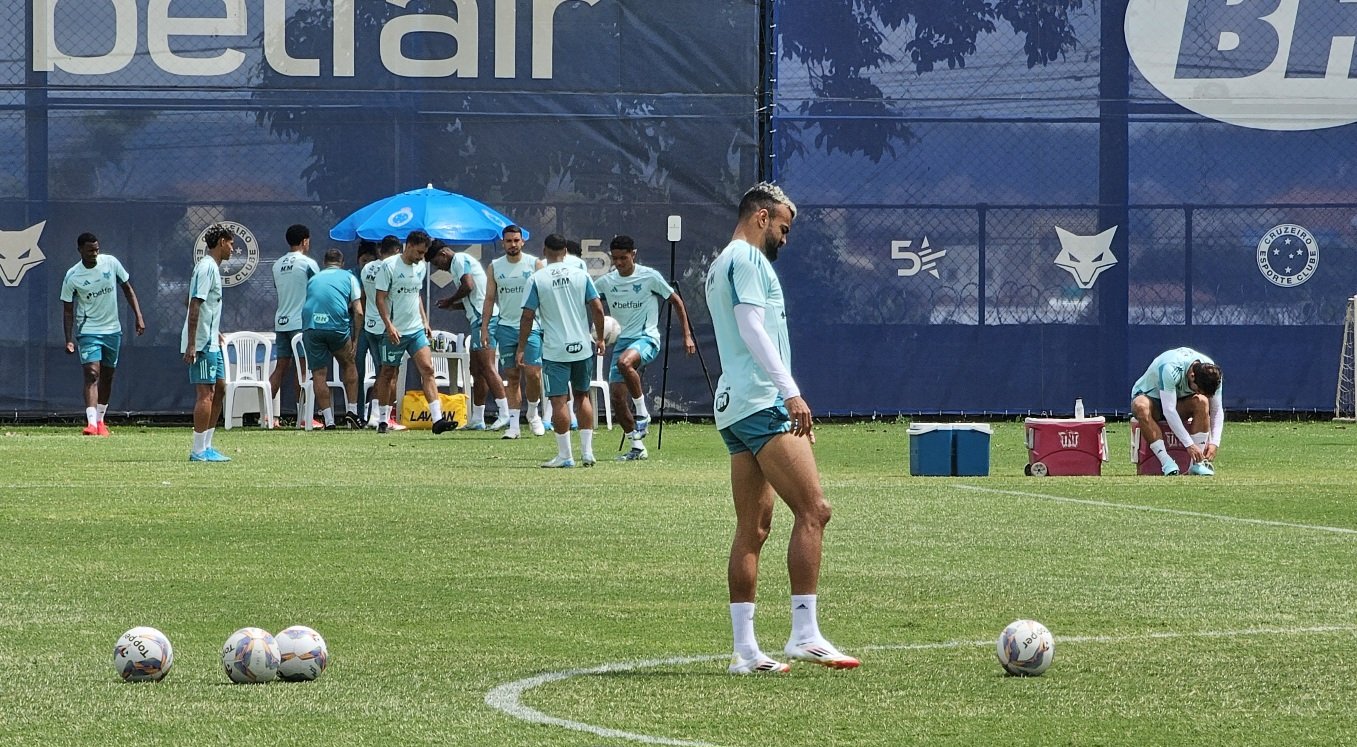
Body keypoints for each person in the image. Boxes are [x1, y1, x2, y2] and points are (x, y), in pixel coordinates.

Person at [705, 183, 859, 674]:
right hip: (760, 401)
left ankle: (746, 651)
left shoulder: (718, 264)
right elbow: (751, 327)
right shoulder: (749, 261)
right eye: (783, 227)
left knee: (753, 528)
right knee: (815, 509)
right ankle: (805, 634)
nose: (785, 239)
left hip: (733, 405)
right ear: (761, 217)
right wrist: (789, 392)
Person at [595, 234, 697, 461]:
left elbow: (677, 302)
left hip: (646, 337)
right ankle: (637, 446)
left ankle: (642, 412)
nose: (619, 263)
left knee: (624, 362)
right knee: (618, 399)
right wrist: (600, 335)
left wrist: (687, 335)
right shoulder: (606, 282)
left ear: (634, 255)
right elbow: (591, 301)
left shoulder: (649, 277)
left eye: (623, 258)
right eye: (615, 259)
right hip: (622, 341)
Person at [518, 233, 605, 467]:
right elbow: (597, 308)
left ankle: (566, 456)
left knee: (558, 401)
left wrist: (521, 347)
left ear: (544, 251)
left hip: (555, 350)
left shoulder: (537, 279)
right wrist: (600, 338)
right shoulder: (581, 274)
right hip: (582, 347)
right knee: (582, 396)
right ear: (565, 252)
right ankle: (587, 452)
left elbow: (527, 316)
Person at [60, 232, 146, 436]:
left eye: (96, 249)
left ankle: (100, 421)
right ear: (80, 250)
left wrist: (139, 316)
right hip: (88, 331)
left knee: (107, 376)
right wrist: (69, 340)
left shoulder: (111, 263)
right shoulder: (73, 276)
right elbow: (68, 310)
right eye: (90, 250)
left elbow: (127, 289)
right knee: (92, 373)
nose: (94, 253)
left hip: (112, 330)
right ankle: (90, 424)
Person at [428, 240, 510, 430]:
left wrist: (450, 299)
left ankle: (505, 412)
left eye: (436, 262)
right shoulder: (458, 263)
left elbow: (468, 286)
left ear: (444, 253)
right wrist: (452, 305)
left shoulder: (459, 260)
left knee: (488, 367)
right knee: (476, 370)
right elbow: (470, 295)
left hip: (485, 320)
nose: (437, 267)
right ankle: (478, 419)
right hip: (477, 320)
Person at [374, 230, 449, 434]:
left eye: (424, 253)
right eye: (418, 252)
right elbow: (380, 298)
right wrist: (389, 325)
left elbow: (416, 295)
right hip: (395, 331)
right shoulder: (388, 266)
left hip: (415, 329)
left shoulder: (420, 267)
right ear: (408, 246)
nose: (421, 257)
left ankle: (437, 419)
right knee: (388, 373)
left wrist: (425, 321)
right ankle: (382, 419)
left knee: (428, 369)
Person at [480, 225, 546, 439]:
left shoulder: (534, 264)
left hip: (532, 327)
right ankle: (514, 426)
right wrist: (484, 328)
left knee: (534, 374)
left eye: (516, 240)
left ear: (523, 242)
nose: (513, 244)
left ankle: (533, 414)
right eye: (509, 241)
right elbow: (489, 299)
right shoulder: (495, 266)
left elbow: (544, 297)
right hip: (506, 327)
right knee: (512, 376)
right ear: (503, 243)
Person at [182, 225, 233, 462]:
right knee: (206, 393)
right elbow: (193, 304)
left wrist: (216, 329)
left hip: (211, 339)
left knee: (220, 388)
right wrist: (193, 343)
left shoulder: (211, 268)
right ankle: (198, 450)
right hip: (202, 343)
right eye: (231, 243)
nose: (233, 249)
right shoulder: (206, 268)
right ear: (222, 242)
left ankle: (208, 446)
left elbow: (192, 301)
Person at [1131, 347, 1223, 476]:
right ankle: (1167, 463)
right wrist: (1189, 444)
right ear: (1192, 376)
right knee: (1140, 405)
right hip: (1152, 401)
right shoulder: (1170, 367)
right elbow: (1169, 410)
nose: (1197, 393)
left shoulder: (1213, 374)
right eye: (1197, 390)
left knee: (1202, 401)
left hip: (1177, 403)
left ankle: (1197, 465)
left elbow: (1217, 410)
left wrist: (1214, 443)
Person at [302, 248, 363, 429]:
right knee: (349, 364)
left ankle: (328, 421)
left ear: (324, 263)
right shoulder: (349, 277)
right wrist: (356, 338)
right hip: (336, 327)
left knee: (319, 374)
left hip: (312, 326)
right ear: (342, 263)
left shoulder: (314, 279)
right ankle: (351, 411)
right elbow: (359, 312)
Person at [268, 224, 319, 427]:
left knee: (281, 367)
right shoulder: (308, 264)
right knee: (303, 369)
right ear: (305, 241)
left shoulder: (276, 265)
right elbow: (319, 288)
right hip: (300, 323)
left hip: (281, 322)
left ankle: (266, 413)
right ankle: (304, 417)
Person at [359, 235, 405, 430]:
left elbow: (364, 296)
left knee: (382, 372)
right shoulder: (392, 268)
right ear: (396, 252)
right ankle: (380, 416)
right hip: (386, 327)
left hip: (369, 326)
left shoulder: (366, 268)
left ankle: (374, 414)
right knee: (389, 373)